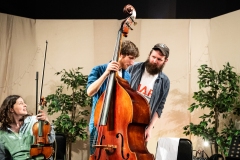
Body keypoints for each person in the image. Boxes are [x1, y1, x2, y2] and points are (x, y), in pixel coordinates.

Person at [87, 40, 139, 154]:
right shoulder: (98, 69)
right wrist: (106, 73)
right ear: (121, 55)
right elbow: (90, 92)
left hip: (118, 127)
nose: (132, 62)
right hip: (99, 125)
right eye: (130, 58)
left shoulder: (127, 76)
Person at [127, 43, 170, 142]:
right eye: (153, 57)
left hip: (142, 126)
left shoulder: (165, 81)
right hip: (125, 118)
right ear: (149, 55)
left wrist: (150, 128)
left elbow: (159, 107)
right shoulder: (133, 68)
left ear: (165, 61)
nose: (155, 61)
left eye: (159, 59)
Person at [0, 95, 55, 160]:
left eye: (24, 103)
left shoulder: (35, 121)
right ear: (11, 109)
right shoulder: (2, 134)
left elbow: (51, 139)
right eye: (21, 103)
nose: (25, 105)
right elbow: (2, 157)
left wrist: (46, 122)